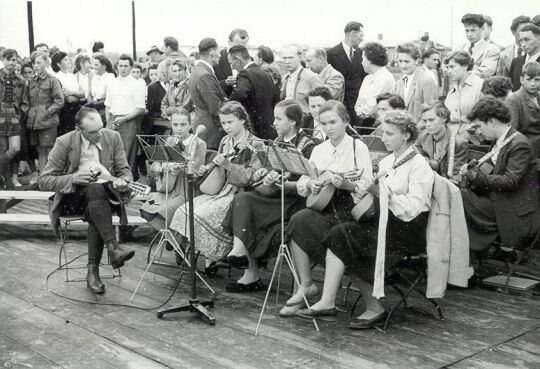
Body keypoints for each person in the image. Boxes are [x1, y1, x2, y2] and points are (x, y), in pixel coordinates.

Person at [294, 110, 433, 329]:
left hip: (407, 229)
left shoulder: (418, 165)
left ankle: (373, 306)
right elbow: (370, 194)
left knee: (345, 234)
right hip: (385, 221)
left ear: (406, 135)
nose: (383, 139)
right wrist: (357, 188)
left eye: (389, 134)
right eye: (383, 133)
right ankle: (329, 300)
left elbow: (412, 209)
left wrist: (379, 193)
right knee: (342, 231)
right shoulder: (388, 161)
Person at [279, 100, 373, 317]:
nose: (328, 128)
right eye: (323, 123)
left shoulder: (358, 148)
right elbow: (305, 179)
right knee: (299, 218)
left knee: (328, 228)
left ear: (346, 121)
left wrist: (347, 184)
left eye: (333, 122)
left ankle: (322, 298)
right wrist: (310, 183)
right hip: (324, 205)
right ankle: (307, 284)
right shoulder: (320, 149)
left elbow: (366, 184)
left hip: (348, 207)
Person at [220, 100, 316, 292]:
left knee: (249, 207)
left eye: (279, 119)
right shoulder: (277, 142)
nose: (274, 122)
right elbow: (268, 171)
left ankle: (251, 268)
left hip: (295, 200)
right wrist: (265, 174)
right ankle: (245, 261)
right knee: (244, 198)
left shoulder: (308, 145)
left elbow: (307, 182)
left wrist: (279, 181)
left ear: (294, 122)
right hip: (275, 195)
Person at [39, 107, 136, 294]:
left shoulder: (112, 137)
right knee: (94, 193)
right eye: (92, 132)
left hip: (102, 199)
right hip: (72, 197)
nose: (99, 134)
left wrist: (124, 181)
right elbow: (44, 181)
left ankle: (94, 271)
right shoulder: (64, 142)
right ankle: (112, 249)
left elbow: (125, 171)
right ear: (78, 129)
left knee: (96, 195)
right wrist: (72, 179)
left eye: (100, 128)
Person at [169, 101, 264, 266]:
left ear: (242, 120)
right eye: (223, 122)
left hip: (240, 193)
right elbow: (218, 169)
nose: (226, 126)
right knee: (185, 210)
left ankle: (211, 257)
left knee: (203, 214)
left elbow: (252, 177)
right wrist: (207, 168)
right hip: (221, 190)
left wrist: (228, 165)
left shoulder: (255, 143)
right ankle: (199, 253)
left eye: (230, 122)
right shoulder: (226, 141)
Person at [459, 97, 540, 253]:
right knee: (457, 194)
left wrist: (475, 177)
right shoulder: (498, 142)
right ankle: (464, 252)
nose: (479, 131)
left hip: (512, 209)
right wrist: (473, 175)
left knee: (458, 198)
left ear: (491, 122)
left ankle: (465, 252)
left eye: (480, 125)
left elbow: (510, 181)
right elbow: (489, 175)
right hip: (499, 200)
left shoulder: (519, 143)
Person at [140, 108, 206, 232]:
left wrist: (182, 169)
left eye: (183, 124)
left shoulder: (198, 143)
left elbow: (197, 172)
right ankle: (173, 240)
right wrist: (165, 167)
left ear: (190, 125)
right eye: (175, 125)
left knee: (161, 213)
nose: (179, 128)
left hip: (186, 191)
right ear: (171, 125)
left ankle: (177, 240)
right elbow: (156, 164)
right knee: (146, 210)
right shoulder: (170, 140)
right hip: (168, 189)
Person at [104, 54, 146, 178]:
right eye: (120, 66)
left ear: (131, 67)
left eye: (126, 66)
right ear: (116, 67)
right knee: (110, 154)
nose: (123, 69)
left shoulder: (136, 84)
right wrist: (109, 122)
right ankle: (111, 184)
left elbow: (140, 108)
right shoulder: (112, 82)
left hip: (129, 121)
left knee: (127, 155)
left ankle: (126, 185)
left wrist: (125, 119)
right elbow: (107, 105)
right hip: (113, 120)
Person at [27, 52, 64, 176]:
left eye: (39, 62)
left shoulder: (53, 81)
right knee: (40, 150)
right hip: (34, 122)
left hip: (48, 121)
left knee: (49, 150)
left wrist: (47, 113)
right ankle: (43, 178)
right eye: (33, 63)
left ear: (46, 63)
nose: (35, 66)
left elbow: (59, 101)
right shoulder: (31, 81)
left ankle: (50, 178)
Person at [228, 45, 275, 139]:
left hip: (252, 128)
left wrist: (227, 104)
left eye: (231, 63)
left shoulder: (245, 74)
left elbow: (238, 95)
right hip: (268, 127)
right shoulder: (267, 75)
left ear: (238, 60)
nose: (232, 67)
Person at [188, 38, 226, 150]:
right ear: (212, 52)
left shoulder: (197, 70)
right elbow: (215, 108)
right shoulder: (205, 75)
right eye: (218, 52)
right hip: (210, 131)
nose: (220, 55)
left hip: (203, 127)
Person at [416, 102, 468, 183]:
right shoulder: (423, 137)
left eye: (431, 120)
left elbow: (457, 177)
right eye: (425, 121)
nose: (427, 125)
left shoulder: (458, 143)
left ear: (444, 118)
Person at [326, 21, 367, 125]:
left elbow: (364, 78)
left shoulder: (361, 53)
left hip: (357, 107)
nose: (362, 38)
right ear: (352, 33)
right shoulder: (331, 53)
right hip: (339, 106)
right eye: (361, 35)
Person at [0, 49, 27, 188]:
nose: (11, 63)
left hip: (14, 115)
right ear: (2, 59)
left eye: (14, 60)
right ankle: (5, 182)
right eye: (9, 59)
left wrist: (19, 114)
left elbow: (24, 101)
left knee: (15, 148)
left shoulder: (20, 80)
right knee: (3, 148)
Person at [393, 42, 438, 123]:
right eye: (400, 61)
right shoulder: (399, 83)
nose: (403, 65)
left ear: (417, 61)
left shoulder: (426, 80)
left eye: (407, 61)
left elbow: (431, 113)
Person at [354, 42, 396, 127]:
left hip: (379, 124)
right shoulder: (367, 78)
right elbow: (358, 103)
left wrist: (361, 110)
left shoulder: (385, 77)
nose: (361, 63)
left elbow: (372, 107)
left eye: (363, 59)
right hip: (364, 122)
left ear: (370, 60)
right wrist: (360, 110)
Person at [443, 51, 484, 138]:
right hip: (453, 143)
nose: (448, 71)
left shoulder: (480, 86)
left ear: (465, 66)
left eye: (452, 67)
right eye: (447, 67)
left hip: (473, 143)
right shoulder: (452, 90)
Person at [506, 62, 540, 158]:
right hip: (526, 151)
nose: (533, 84)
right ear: (521, 80)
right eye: (528, 79)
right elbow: (512, 132)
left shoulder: (538, 96)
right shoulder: (514, 99)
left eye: (537, 80)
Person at [280, 44, 324, 113]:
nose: (287, 61)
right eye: (284, 58)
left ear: (300, 58)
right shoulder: (284, 79)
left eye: (291, 58)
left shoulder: (312, 78)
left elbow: (323, 105)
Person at [52, 51, 85, 136]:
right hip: (65, 112)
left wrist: (73, 92)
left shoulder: (72, 76)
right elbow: (69, 99)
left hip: (76, 110)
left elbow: (83, 93)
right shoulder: (56, 77)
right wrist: (77, 94)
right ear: (59, 64)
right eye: (66, 60)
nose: (69, 61)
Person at [458, 13, 500, 79]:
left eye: (473, 30)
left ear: (482, 29)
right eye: (467, 31)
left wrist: (459, 73)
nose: (469, 34)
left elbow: (485, 72)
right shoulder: (460, 48)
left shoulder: (492, 49)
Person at [214, 29, 249, 96]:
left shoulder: (248, 60)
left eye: (243, 46)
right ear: (229, 42)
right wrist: (225, 83)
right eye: (237, 46)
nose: (240, 49)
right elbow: (211, 84)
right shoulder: (217, 58)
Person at [509, 24, 540, 91]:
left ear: (538, 39)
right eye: (521, 40)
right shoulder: (516, 62)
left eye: (527, 40)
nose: (523, 44)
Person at [87, 55, 115, 123]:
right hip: (94, 107)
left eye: (96, 65)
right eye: (93, 64)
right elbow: (89, 94)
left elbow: (110, 99)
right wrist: (91, 106)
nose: (93, 67)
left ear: (104, 66)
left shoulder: (110, 78)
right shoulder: (94, 77)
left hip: (104, 108)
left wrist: (94, 105)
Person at [143, 61, 168, 136]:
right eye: (151, 75)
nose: (154, 77)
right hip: (159, 120)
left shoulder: (172, 85)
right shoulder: (151, 88)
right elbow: (151, 109)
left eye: (156, 74)